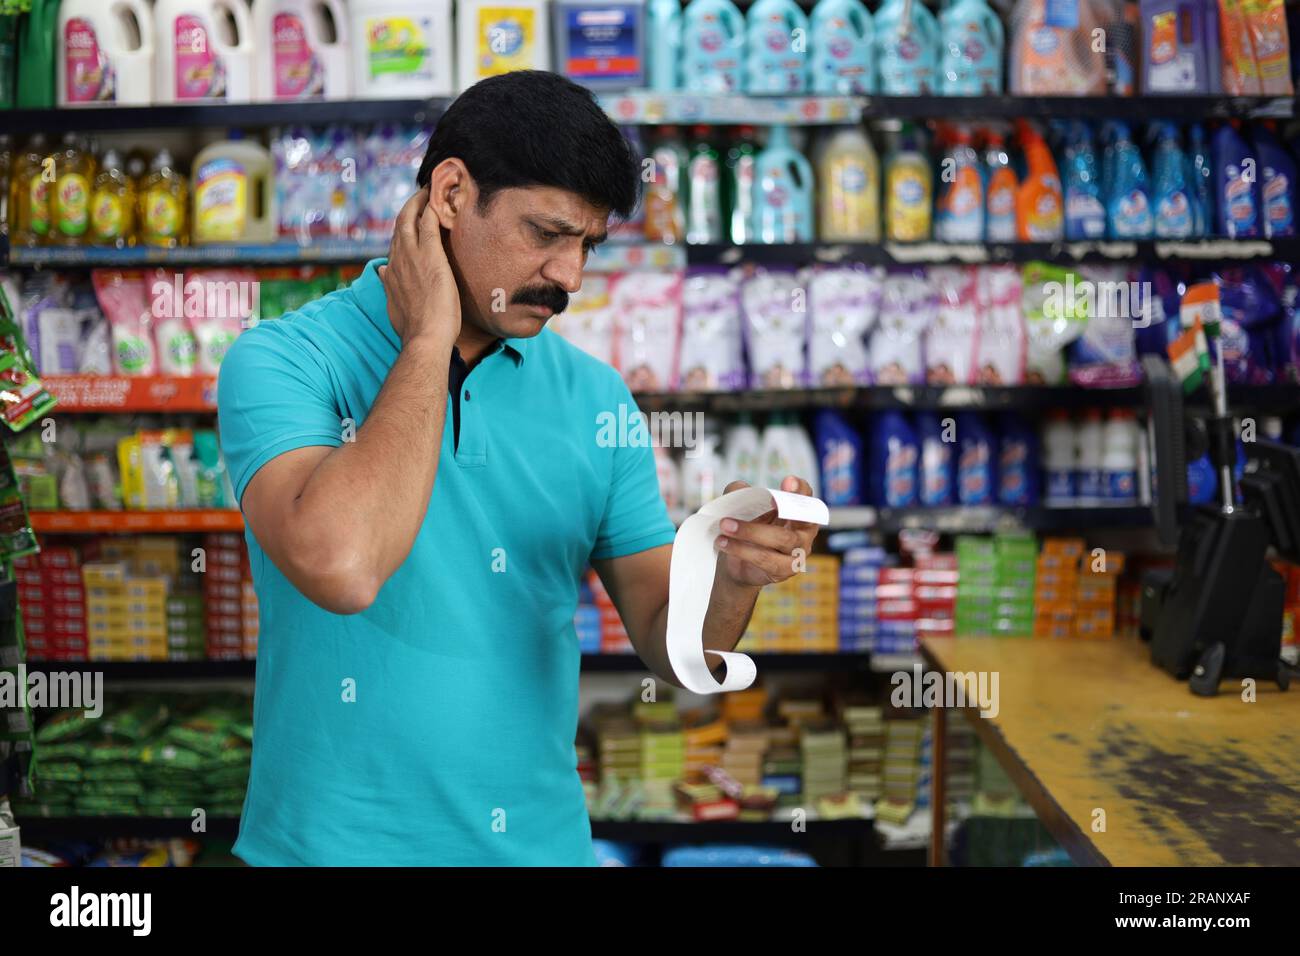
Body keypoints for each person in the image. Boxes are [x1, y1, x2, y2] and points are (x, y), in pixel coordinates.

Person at [217, 70, 818, 866]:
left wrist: (733, 578)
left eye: (588, 245)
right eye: (546, 233)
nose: (570, 277)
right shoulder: (284, 361)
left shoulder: (593, 398)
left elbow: (672, 647)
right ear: (452, 194)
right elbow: (343, 565)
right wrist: (428, 341)